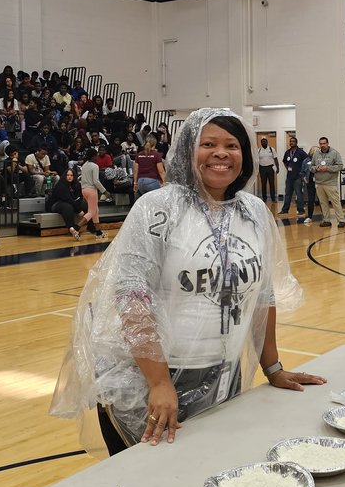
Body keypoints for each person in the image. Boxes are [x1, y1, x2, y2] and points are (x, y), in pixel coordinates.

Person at [50, 107, 324, 455]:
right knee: (152, 481)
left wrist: (272, 368)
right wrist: (159, 382)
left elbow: (261, 296)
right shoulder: (157, 208)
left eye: (232, 145)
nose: (221, 153)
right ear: (187, 150)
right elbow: (132, 296)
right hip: (151, 377)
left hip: (224, 373)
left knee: (211, 469)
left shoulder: (254, 212)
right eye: (208, 144)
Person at [46, 167, 89, 240]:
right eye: (68, 175)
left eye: (71, 175)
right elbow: (68, 199)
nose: (69, 177)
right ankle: (71, 228)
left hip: (70, 202)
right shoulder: (61, 185)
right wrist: (78, 210)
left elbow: (79, 197)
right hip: (56, 204)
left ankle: (89, 226)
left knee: (85, 204)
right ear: (65, 176)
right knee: (67, 207)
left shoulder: (76, 184)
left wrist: (79, 205)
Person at [312, 136, 345, 228]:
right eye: (321, 144)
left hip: (330, 182)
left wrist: (328, 168)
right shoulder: (316, 154)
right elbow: (311, 167)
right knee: (323, 202)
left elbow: (340, 166)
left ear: (327, 143)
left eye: (324, 143)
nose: (322, 145)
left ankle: (341, 220)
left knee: (335, 202)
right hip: (319, 182)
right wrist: (317, 168)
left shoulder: (334, 153)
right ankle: (326, 220)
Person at [279, 135, 307, 219]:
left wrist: (302, 172)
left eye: (293, 141)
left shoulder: (301, 152)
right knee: (288, 194)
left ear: (296, 143)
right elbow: (284, 161)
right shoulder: (287, 152)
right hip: (289, 177)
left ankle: (301, 210)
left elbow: (307, 161)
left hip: (298, 177)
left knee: (299, 193)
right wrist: (288, 168)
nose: (291, 143)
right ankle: (285, 210)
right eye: (290, 141)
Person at [256, 136, 279, 203]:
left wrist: (277, 168)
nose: (264, 142)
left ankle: (273, 198)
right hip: (262, 168)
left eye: (265, 141)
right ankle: (264, 198)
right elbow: (256, 160)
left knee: (272, 183)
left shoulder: (271, 149)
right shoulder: (258, 150)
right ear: (261, 143)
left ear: (267, 142)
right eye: (262, 142)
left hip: (270, 168)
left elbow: (275, 159)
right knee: (263, 183)